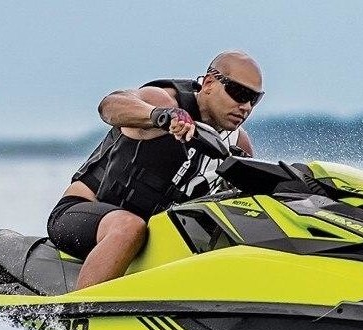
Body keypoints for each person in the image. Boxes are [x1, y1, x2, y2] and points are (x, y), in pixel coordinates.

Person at [47, 50, 263, 290]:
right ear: (210, 83)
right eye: (239, 93)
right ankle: (78, 315)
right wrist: (160, 116)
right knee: (130, 226)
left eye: (254, 99)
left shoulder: (237, 144)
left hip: (151, 239)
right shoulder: (164, 101)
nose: (245, 106)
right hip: (81, 215)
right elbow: (109, 105)